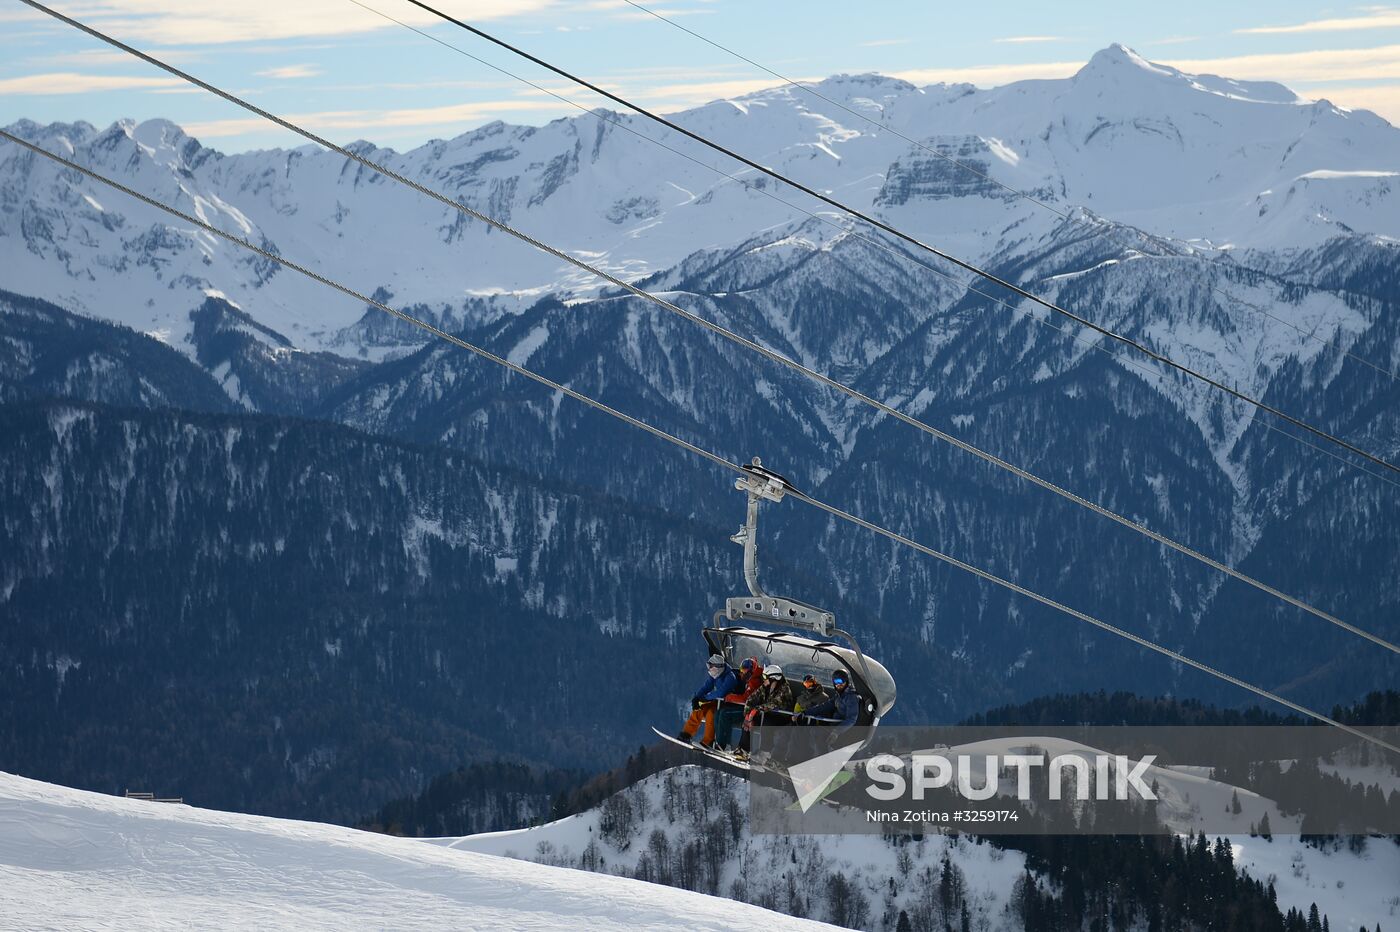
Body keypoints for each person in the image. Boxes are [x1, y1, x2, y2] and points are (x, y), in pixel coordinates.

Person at [677, 654, 739, 748]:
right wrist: (697, 697)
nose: (709, 669)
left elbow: (721, 692)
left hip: (728, 704)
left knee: (711, 713)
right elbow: (706, 687)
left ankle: (708, 741)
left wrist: (705, 698)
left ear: (718, 667)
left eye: (711, 666)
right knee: (699, 709)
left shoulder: (730, 677)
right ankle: (686, 734)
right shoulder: (715, 675)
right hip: (718, 702)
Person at [735, 664, 795, 760]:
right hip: (767, 714)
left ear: (773, 678)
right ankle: (743, 750)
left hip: (782, 716)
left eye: (765, 677)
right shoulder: (766, 686)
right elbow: (751, 698)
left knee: (767, 724)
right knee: (748, 722)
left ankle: (764, 753)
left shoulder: (784, 689)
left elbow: (774, 703)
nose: (763, 679)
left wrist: (756, 709)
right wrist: (748, 714)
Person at [797, 669, 862, 747]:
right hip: (835, 726)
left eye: (840, 681)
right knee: (809, 732)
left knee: (816, 734)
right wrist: (806, 712)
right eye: (836, 682)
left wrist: (836, 732)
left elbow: (851, 719)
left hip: (845, 731)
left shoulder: (851, 697)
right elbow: (824, 706)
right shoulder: (839, 695)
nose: (838, 684)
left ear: (846, 681)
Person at [714, 656, 761, 751]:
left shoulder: (754, 681)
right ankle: (717, 741)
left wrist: (730, 697)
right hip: (745, 708)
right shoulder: (750, 678)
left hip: (750, 712)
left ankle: (724, 745)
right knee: (718, 713)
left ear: (750, 671)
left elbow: (746, 699)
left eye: (744, 671)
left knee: (725, 714)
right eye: (741, 670)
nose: (741, 673)